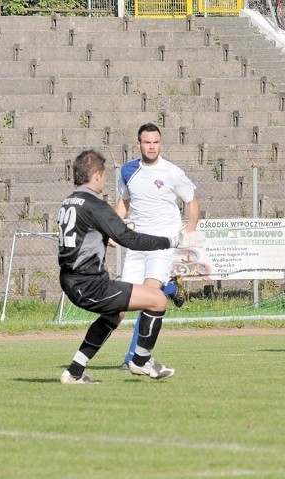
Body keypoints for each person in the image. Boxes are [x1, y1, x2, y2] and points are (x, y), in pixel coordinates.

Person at [58, 150, 181, 384]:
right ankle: (141, 361)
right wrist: (168, 241)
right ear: (96, 176)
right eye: (103, 175)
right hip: (90, 283)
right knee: (157, 300)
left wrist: (103, 237)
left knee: (115, 314)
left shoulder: (69, 202)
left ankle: (74, 372)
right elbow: (129, 239)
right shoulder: (95, 206)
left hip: (72, 280)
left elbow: (83, 236)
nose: (104, 181)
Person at [116, 123, 199, 370]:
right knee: (120, 306)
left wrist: (190, 227)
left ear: (160, 144)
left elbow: (192, 200)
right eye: (147, 142)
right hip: (137, 244)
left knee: (149, 297)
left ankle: (133, 358)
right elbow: (123, 203)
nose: (152, 146)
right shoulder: (127, 171)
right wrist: (112, 229)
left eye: (156, 142)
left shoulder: (172, 172)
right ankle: (173, 288)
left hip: (162, 244)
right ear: (139, 144)